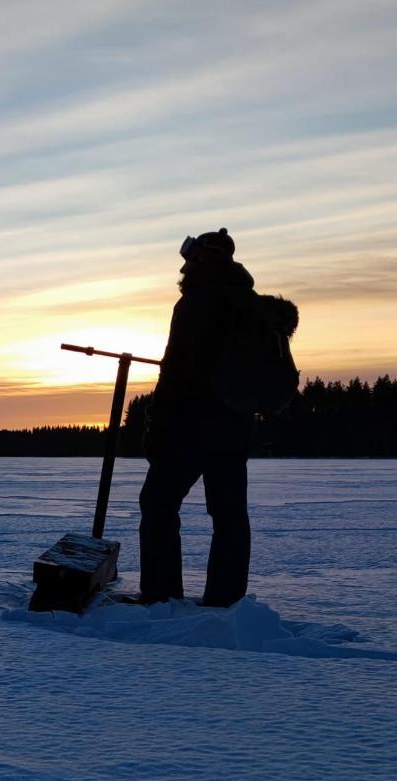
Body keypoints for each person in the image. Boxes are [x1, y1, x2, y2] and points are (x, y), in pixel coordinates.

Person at [138, 228, 297, 607]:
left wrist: (157, 425)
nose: (184, 263)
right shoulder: (250, 304)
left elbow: (176, 370)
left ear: (202, 258)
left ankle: (161, 596)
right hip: (236, 426)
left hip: (191, 424)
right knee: (228, 515)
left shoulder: (196, 302)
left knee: (157, 503)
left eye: (189, 255)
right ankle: (225, 600)